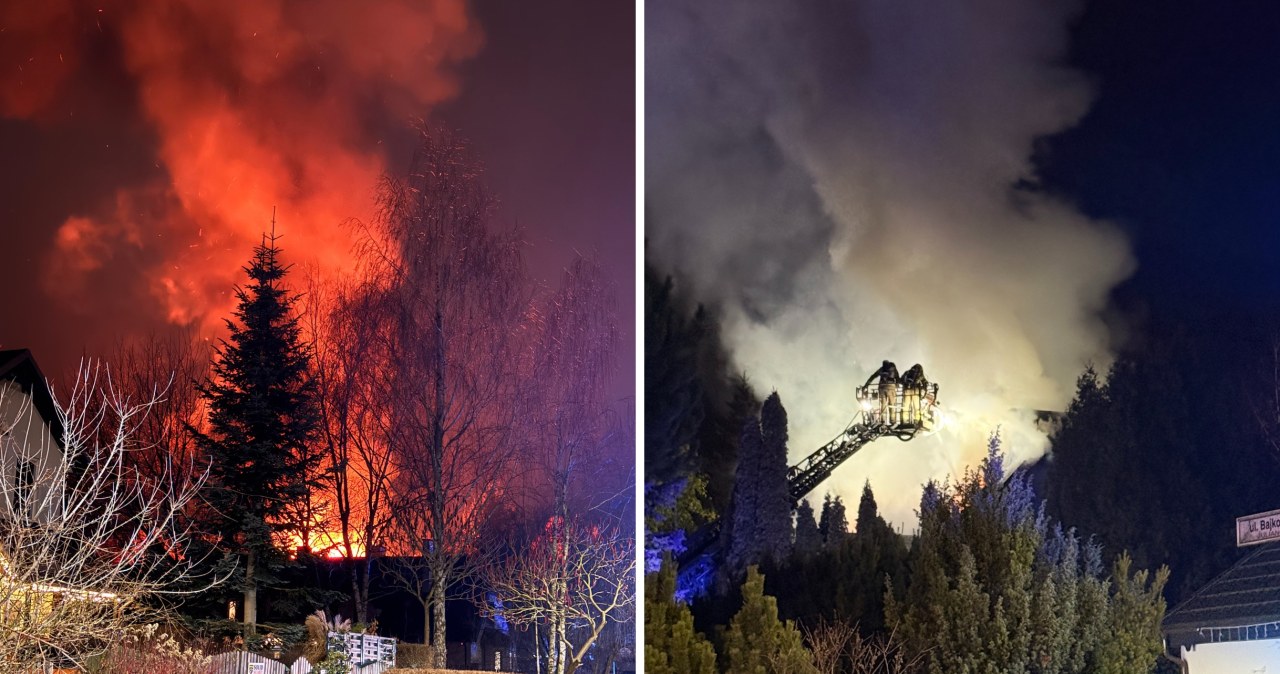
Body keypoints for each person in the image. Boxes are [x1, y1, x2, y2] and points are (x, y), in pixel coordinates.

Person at [863, 360, 898, 425]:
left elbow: (873, 376)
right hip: (891, 388)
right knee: (892, 404)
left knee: (883, 405)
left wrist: (866, 385)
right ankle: (893, 421)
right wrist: (897, 385)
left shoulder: (881, 369)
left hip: (882, 388)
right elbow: (897, 377)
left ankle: (883, 421)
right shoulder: (893, 368)